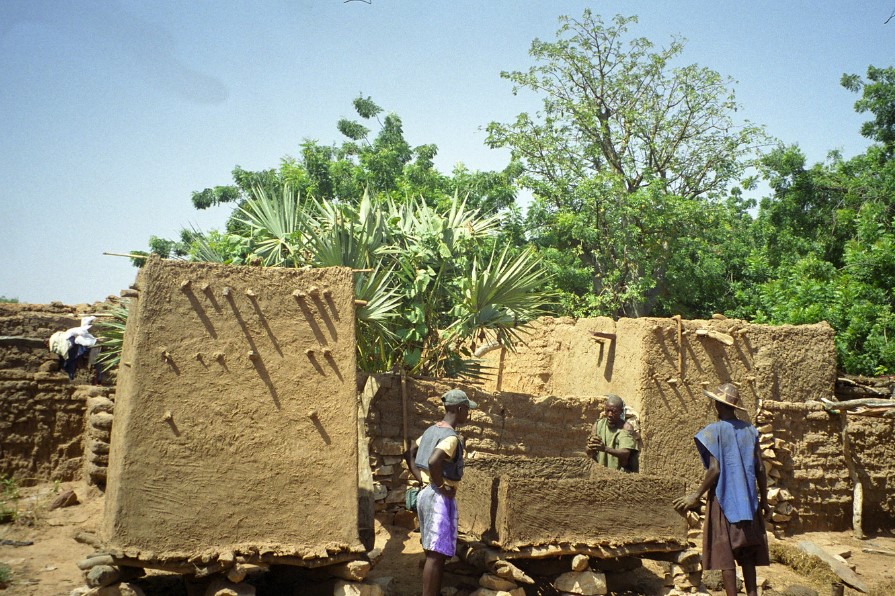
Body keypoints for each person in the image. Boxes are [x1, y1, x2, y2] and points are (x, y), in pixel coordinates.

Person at [673, 383, 771, 596]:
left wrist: (695, 496)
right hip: (749, 503)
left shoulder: (713, 431)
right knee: (747, 554)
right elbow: (761, 468)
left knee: (726, 555)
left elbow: (715, 469)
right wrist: (764, 501)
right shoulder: (750, 430)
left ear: (718, 405)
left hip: (724, 500)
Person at [404, 388, 478, 596]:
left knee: (431, 551)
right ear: (460, 409)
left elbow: (409, 451)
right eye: (467, 410)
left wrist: (422, 478)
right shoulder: (451, 437)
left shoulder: (431, 430)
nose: (468, 414)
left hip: (425, 494)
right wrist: (442, 486)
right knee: (436, 556)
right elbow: (434, 460)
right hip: (438, 498)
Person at [586, 394, 639, 472]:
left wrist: (605, 449)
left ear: (621, 412)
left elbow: (625, 453)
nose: (610, 414)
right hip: (600, 472)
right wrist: (590, 447)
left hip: (620, 474)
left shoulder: (626, 428)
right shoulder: (598, 425)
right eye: (607, 411)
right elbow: (589, 451)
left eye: (613, 411)